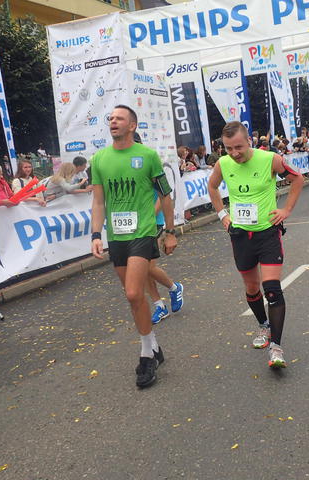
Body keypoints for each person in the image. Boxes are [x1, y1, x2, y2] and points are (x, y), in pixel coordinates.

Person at [90, 104, 178, 389]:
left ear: (132, 125)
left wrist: (170, 232)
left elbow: (165, 195)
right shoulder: (99, 159)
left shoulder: (148, 156)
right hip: (117, 237)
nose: (113, 121)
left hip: (142, 232)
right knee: (135, 298)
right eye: (111, 118)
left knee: (132, 292)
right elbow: (98, 202)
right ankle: (153, 346)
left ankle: (146, 356)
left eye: (120, 118)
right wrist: (95, 234)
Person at [208, 121, 304, 369]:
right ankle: (264, 326)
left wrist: (286, 210)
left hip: (267, 233)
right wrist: (223, 215)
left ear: (248, 141)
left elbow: (297, 179)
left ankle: (276, 348)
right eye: (229, 148)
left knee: (271, 288)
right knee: (252, 288)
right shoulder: (223, 164)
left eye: (238, 147)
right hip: (240, 235)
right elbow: (212, 186)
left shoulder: (270, 159)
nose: (234, 153)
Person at [146, 192, 184, 324]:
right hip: (133, 225)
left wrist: (150, 216)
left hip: (152, 222)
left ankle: (174, 288)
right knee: (143, 269)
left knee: (148, 267)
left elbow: (162, 195)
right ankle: (160, 306)